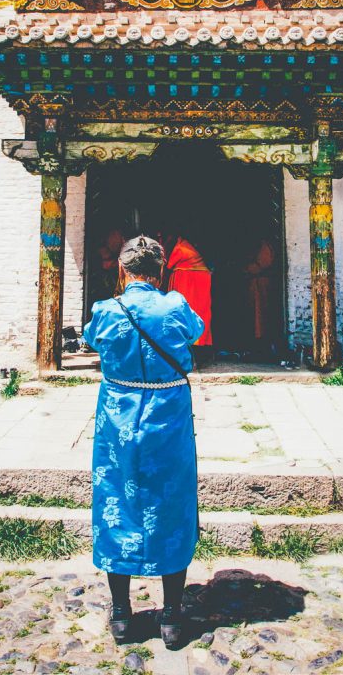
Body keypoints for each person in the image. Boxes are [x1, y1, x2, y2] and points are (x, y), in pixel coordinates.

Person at [83, 235, 205, 648]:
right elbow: (196, 330)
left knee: (117, 503)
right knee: (171, 504)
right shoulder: (174, 306)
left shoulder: (105, 311)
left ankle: (121, 613)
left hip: (117, 424)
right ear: (161, 270)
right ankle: (172, 615)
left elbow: (91, 339)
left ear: (123, 270)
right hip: (167, 423)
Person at [167, 235, 213, 347]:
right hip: (199, 279)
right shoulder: (188, 246)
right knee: (200, 311)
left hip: (189, 281)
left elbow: (168, 265)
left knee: (187, 310)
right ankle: (199, 341)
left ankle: (192, 341)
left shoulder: (181, 247)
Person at [243, 238, 277, 359]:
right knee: (257, 315)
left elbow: (262, 264)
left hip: (261, 284)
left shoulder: (265, 246)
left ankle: (261, 345)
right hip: (256, 283)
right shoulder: (261, 245)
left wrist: (246, 269)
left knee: (260, 316)